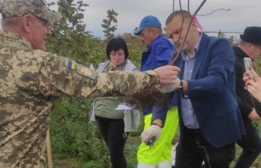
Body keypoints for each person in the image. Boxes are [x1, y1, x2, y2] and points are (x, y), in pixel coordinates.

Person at [0, 0, 180, 168]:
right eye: (46, 23)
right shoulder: (40, 64)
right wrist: (153, 76)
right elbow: (99, 83)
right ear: (28, 22)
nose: (49, 31)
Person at [142, 10, 245, 168]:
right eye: (171, 35)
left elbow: (217, 82)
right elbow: (165, 91)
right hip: (188, 137)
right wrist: (156, 123)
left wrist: (182, 85)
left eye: (178, 32)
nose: (175, 39)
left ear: (193, 25)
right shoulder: (176, 57)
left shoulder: (218, 46)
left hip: (217, 132)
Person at [133, 15, 178, 168]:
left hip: (160, 106)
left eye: (142, 34)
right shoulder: (162, 45)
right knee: (163, 149)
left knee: (148, 147)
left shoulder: (161, 45)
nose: (141, 39)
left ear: (153, 31)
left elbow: (166, 74)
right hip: (167, 107)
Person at [93, 37, 139, 168]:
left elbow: (136, 92)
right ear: (109, 54)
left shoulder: (131, 70)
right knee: (112, 150)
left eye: (120, 54)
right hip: (101, 115)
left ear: (125, 54)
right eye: (113, 54)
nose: (117, 57)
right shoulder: (102, 67)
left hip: (118, 118)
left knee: (116, 152)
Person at [233, 26, 261, 168]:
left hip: (240, 114)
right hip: (234, 115)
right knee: (254, 146)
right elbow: (228, 92)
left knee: (254, 147)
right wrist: (248, 110)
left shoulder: (245, 60)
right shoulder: (234, 61)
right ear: (249, 45)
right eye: (260, 48)